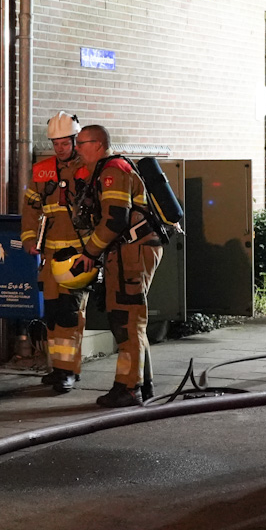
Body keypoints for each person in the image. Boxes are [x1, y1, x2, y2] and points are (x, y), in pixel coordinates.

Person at [71, 124, 164, 408]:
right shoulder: (106, 169)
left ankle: (128, 388)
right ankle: (141, 384)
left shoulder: (113, 171)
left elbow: (114, 220)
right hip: (126, 251)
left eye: (81, 143)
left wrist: (90, 252)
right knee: (130, 319)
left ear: (98, 144)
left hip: (131, 252)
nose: (77, 148)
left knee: (127, 320)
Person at [22, 112, 91, 393]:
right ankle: (60, 368)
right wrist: (29, 240)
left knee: (69, 314)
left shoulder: (88, 168)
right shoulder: (42, 171)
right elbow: (30, 209)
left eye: (65, 143)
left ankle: (68, 371)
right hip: (51, 255)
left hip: (79, 254)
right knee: (52, 314)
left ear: (75, 141)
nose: (60, 149)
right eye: (56, 144)